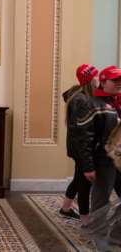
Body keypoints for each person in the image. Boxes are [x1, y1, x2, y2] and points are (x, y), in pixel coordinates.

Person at [77, 66, 121, 251]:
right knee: (100, 201)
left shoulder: (117, 103)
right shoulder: (92, 104)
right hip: (103, 162)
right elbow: (83, 138)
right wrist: (87, 166)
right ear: (103, 81)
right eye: (115, 80)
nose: (119, 84)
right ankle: (98, 238)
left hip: (119, 161)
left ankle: (116, 238)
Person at [59, 64, 99, 226]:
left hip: (79, 147)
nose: (99, 79)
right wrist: (87, 155)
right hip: (81, 148)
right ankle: (85, 220)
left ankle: (66, 208)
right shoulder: (82, 100)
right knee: (84, 183)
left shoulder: (78, 95)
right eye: (96, 76)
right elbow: (82, 131)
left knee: (78, 178)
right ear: (90, 80)